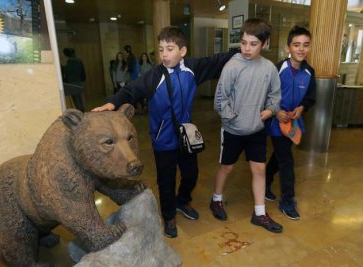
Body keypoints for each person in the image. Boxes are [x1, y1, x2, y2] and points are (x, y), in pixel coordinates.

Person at [93, 26, 237, 238]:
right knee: (166, 181)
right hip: (163, 140)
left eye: (170, 49)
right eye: (161, 50)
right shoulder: (154, 76)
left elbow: (218, 60)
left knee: (191, 174)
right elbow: (130, 90)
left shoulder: (192, 68)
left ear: (183, 51)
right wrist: (112, 103)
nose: (164, 54)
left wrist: (243, 48)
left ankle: (182, 201)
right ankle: (169, 215)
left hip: (186, 137)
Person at [210, 18, 283, 233]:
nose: (247, 48)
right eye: (243, 43)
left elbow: (275, 95)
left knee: (259, 169)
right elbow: (220, 99)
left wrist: (270, 110)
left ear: (265, 43)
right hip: (233, 130)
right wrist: (233, 117)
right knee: (227, 167)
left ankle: (259, 213)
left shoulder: (269, 68)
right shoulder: (232, 66)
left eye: (253, 44)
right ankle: (216, 199)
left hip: (257, 130)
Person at [264, 26, 316, 220]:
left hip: (293, 123)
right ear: (288, 48)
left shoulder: (310, 72)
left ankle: (266, 180)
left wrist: (302, 108)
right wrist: (276, 112)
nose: (301, 49)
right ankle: (287, 201)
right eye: (296, 45)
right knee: (287, 160)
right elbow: (265, 95)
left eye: (305, 45)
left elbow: (310, 98)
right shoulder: (277, 69)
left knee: (280, 156)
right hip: (277, 122)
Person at [62, 48, 87, 112]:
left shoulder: (67, 62)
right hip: (79, 81)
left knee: (76, 100)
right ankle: (84, 112)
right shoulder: (79, 60)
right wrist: (83, 80)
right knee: (81, 98)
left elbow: (66, 74)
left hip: (71, 83)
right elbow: (83, 72)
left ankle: (79, 113)